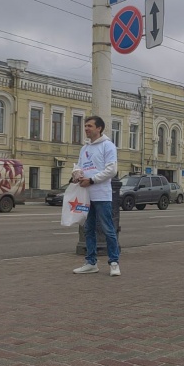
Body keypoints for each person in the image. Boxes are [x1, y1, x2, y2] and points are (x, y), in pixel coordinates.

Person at [72, 115, 121, 277]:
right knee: (88, 229)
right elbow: (79, 166)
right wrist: (77, 173)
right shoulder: (84, 148)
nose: (86, 128)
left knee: (108, 229)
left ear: (99, 128)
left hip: (102, 195)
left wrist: (91, 180)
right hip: (86, 195)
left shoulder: (108, 146)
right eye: (85, 126)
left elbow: (111, 170)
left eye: (89, 126)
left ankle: (114, 262)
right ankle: (91, 263)